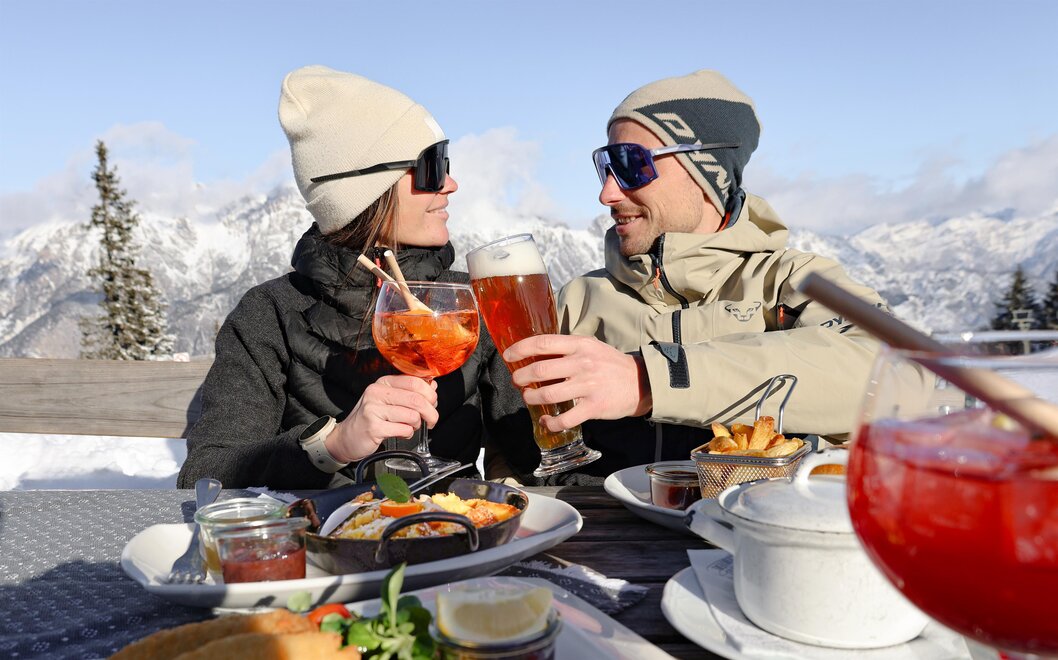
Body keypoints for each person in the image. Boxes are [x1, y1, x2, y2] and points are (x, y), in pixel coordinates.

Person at [499, 70, 890, 481]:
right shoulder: (577, 300)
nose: (607, 193)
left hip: (751, 521)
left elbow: (894, 372)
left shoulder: (791, 283)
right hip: (602, 522)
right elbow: (518, 457)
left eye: (631, 164)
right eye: (606, 166)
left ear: (706, 171)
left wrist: (649, 379)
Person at [177, 65, 529, 490]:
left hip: (454, 521)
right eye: (432, 166)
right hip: (320, 527)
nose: (451, 184)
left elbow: (535, 457)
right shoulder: (270, 314)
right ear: (366, 188)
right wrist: (332, 445)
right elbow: (204, 475)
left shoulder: (470, 302)